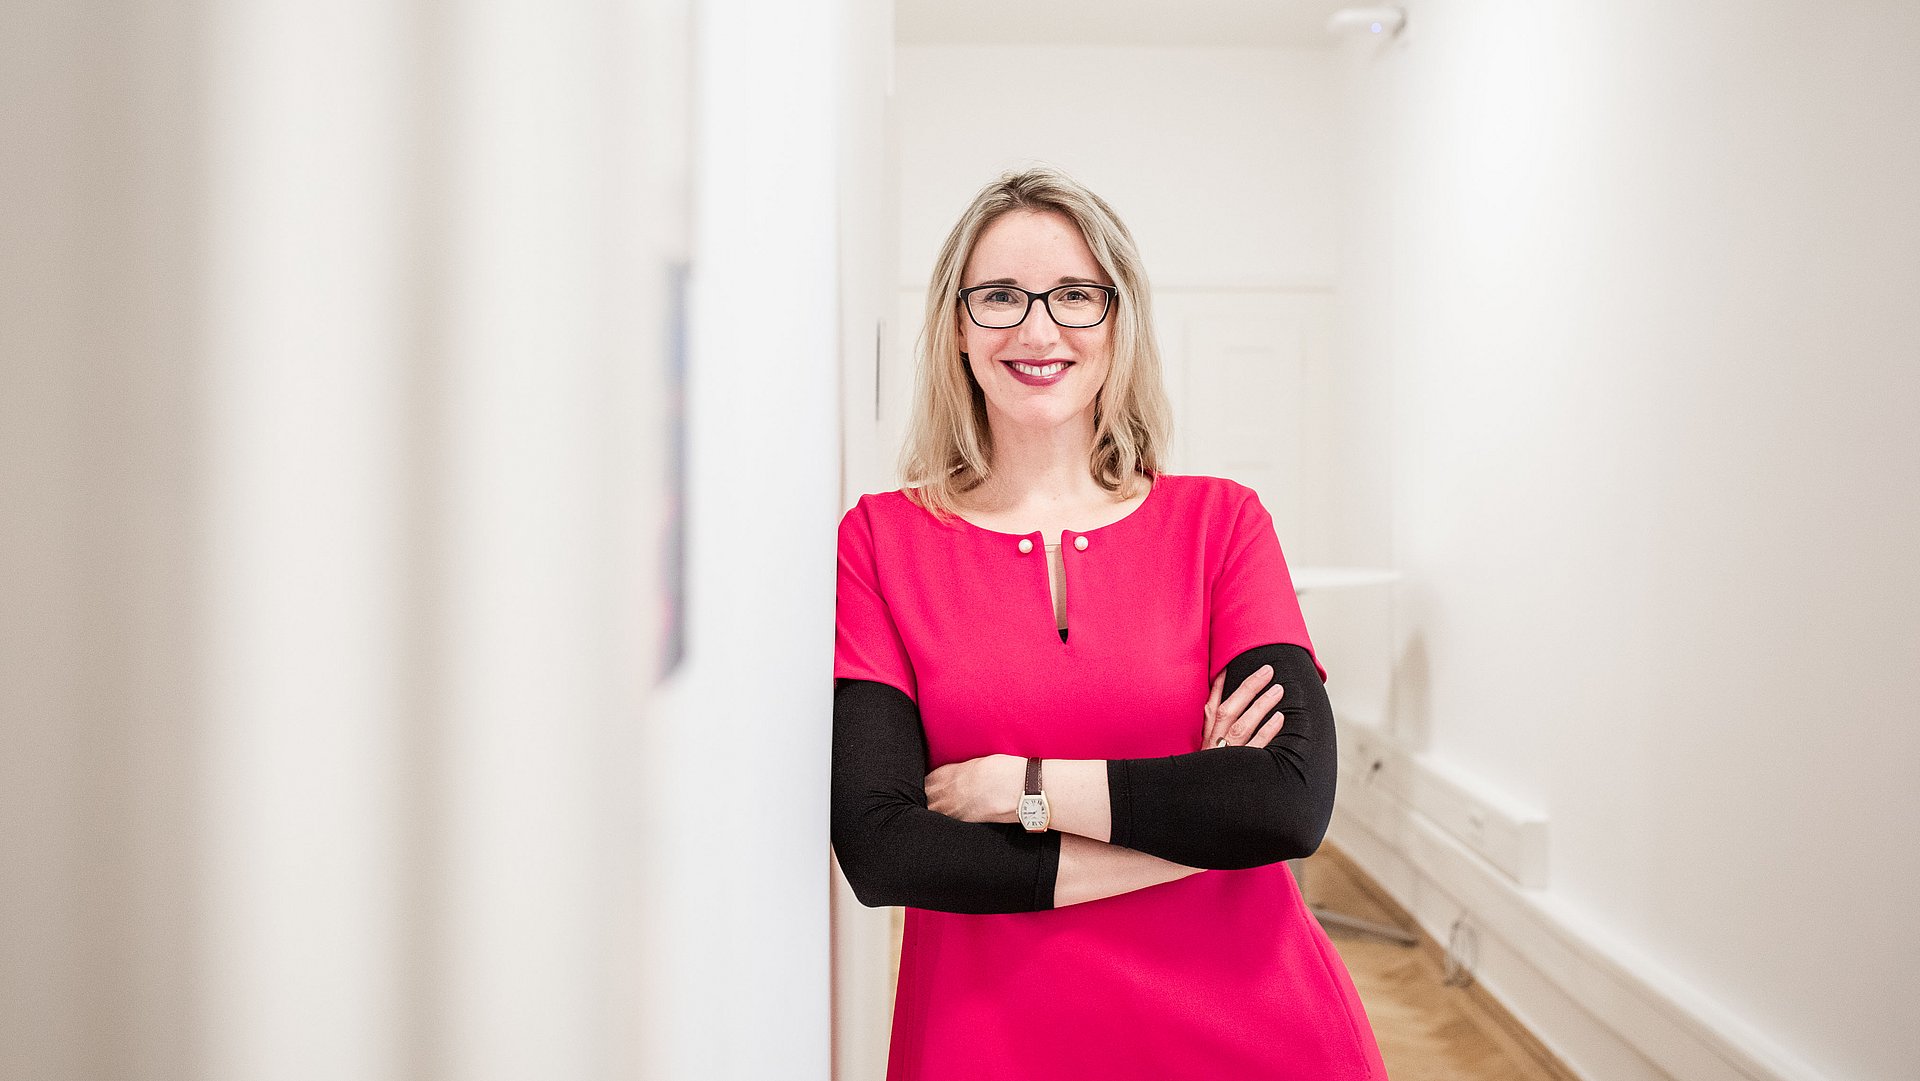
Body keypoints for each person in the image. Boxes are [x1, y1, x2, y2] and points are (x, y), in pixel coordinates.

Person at [831, 165, 1389, 1080]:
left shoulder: (1222, 524)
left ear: (1118, 323)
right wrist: (1193, 831)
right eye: (1000, 295)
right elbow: (886, 848)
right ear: (957, 327)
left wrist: (1025, 786)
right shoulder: (882, 543)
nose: (1038, 328)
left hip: (1256, 1031)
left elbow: (1286, 802)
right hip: (990, 1045)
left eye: (1075, 296)